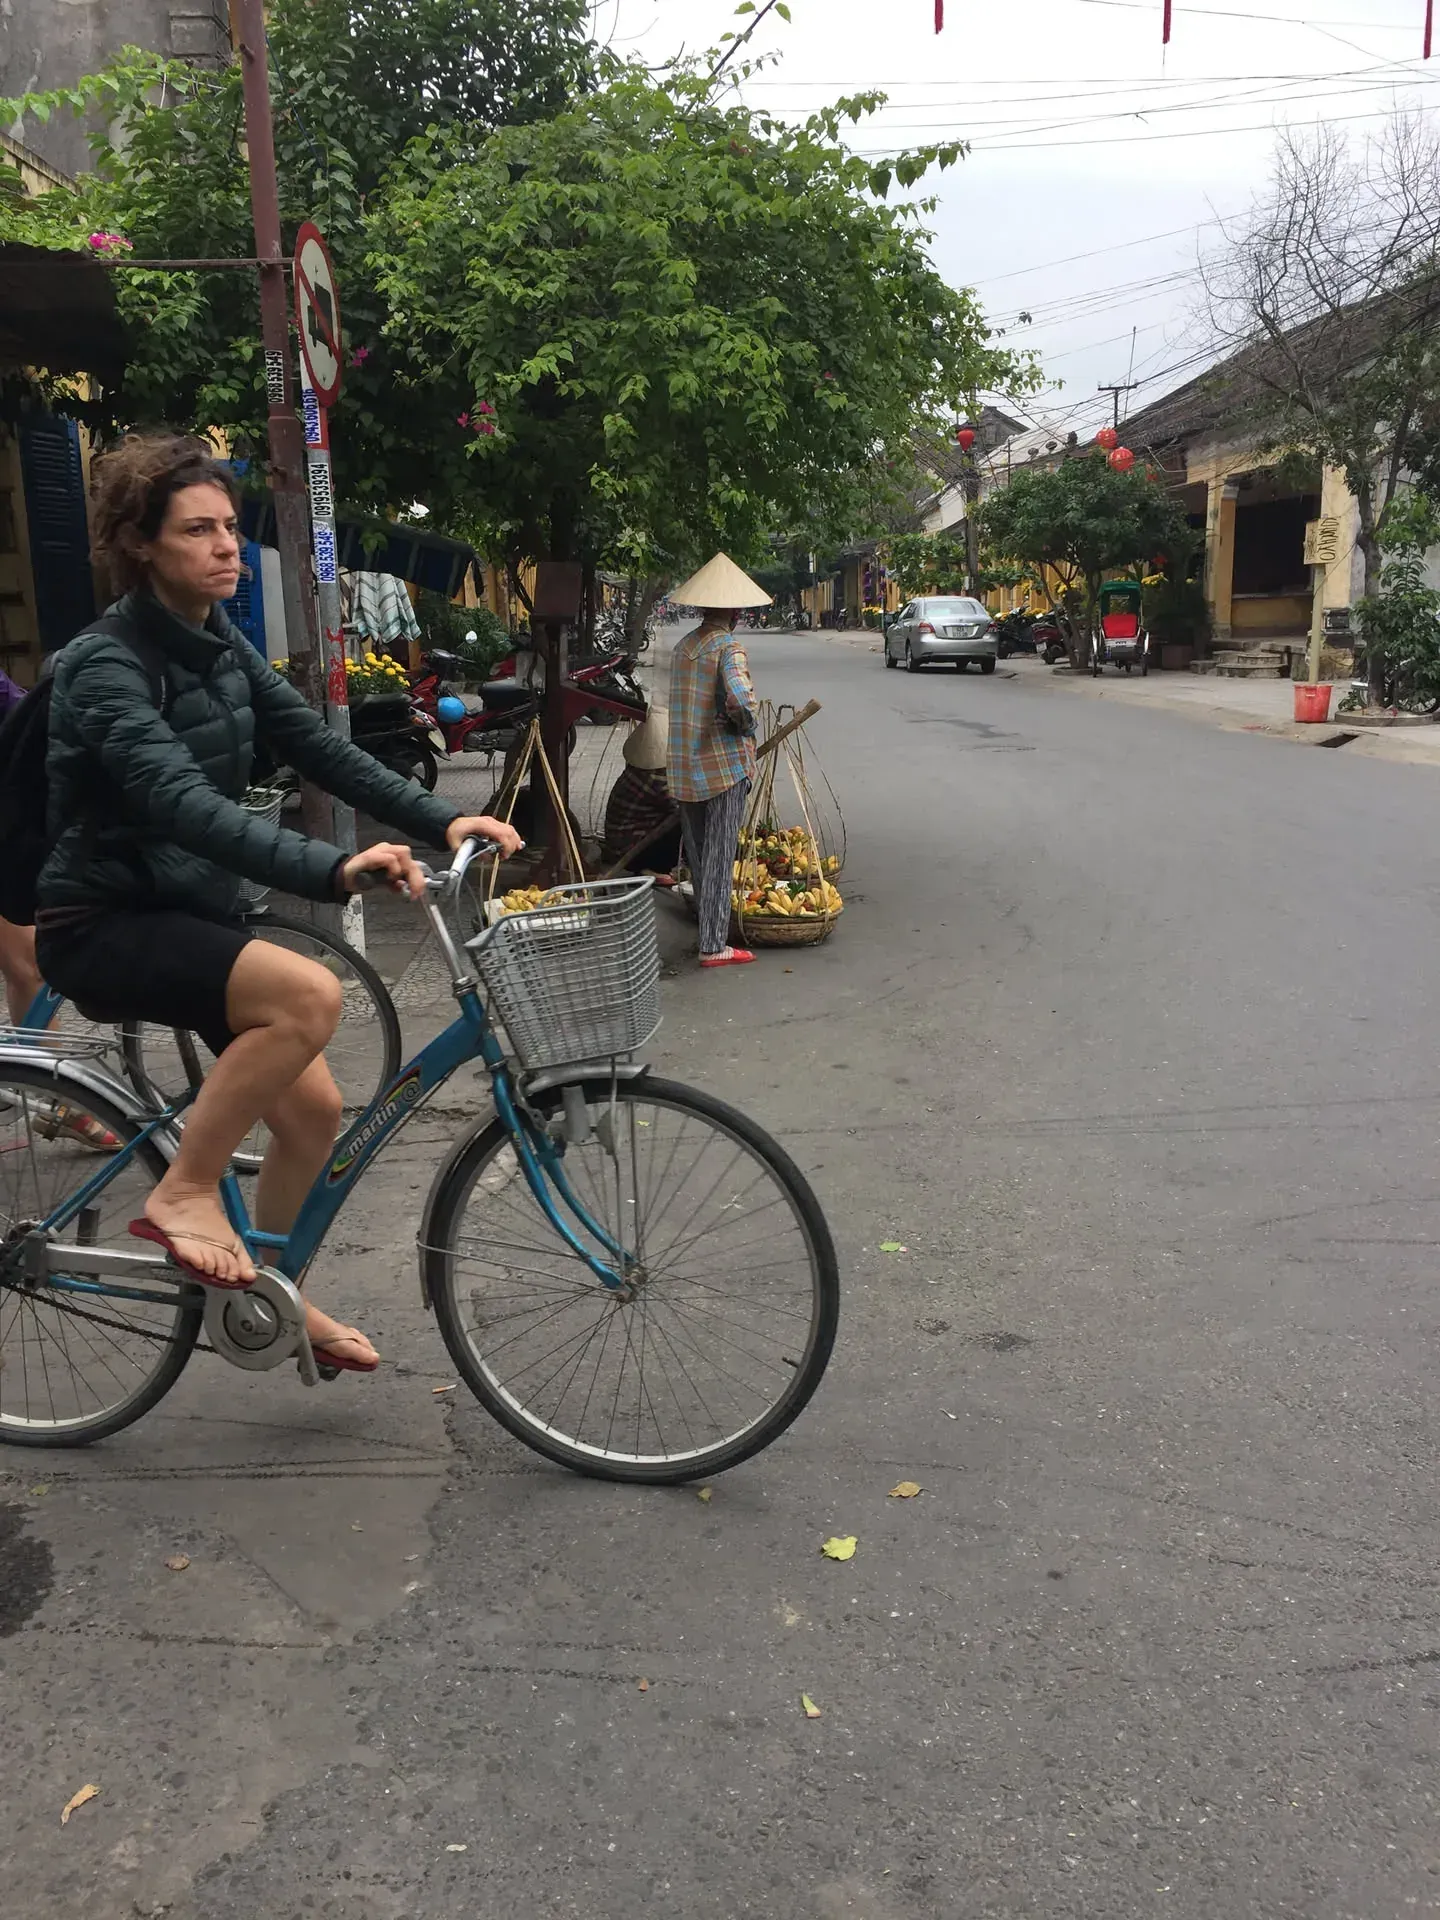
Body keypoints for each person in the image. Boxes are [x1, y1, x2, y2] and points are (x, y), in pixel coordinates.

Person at [35, 433, 521, 1370]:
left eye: (228, 526)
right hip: (101, 921)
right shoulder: (106, 666)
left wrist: (439, 821)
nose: (225, 546)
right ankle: (182, 1192)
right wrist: (332, 871)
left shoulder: (217, 641)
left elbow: (319, 746)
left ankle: (276, 1299)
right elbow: (183, 805)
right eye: (198, 530)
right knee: (310, 996)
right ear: (141, 544)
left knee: (312, 1114)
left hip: (189, 908)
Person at [665, 553, 770, 970]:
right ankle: (713, 944)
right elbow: (742, 700)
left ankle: (707, 932)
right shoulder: (729, 647)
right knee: (721, 854)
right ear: (735, 612)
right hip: (723, 767)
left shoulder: (683, 646)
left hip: (684, 768)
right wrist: (745, 726)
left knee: (700, 854)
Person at [601, 705, 681, 877]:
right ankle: (650, 869)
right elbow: (682, 808)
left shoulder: (639, 769)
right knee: (685, 824)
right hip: (631, 853)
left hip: (621, 844)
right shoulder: (655, 779)